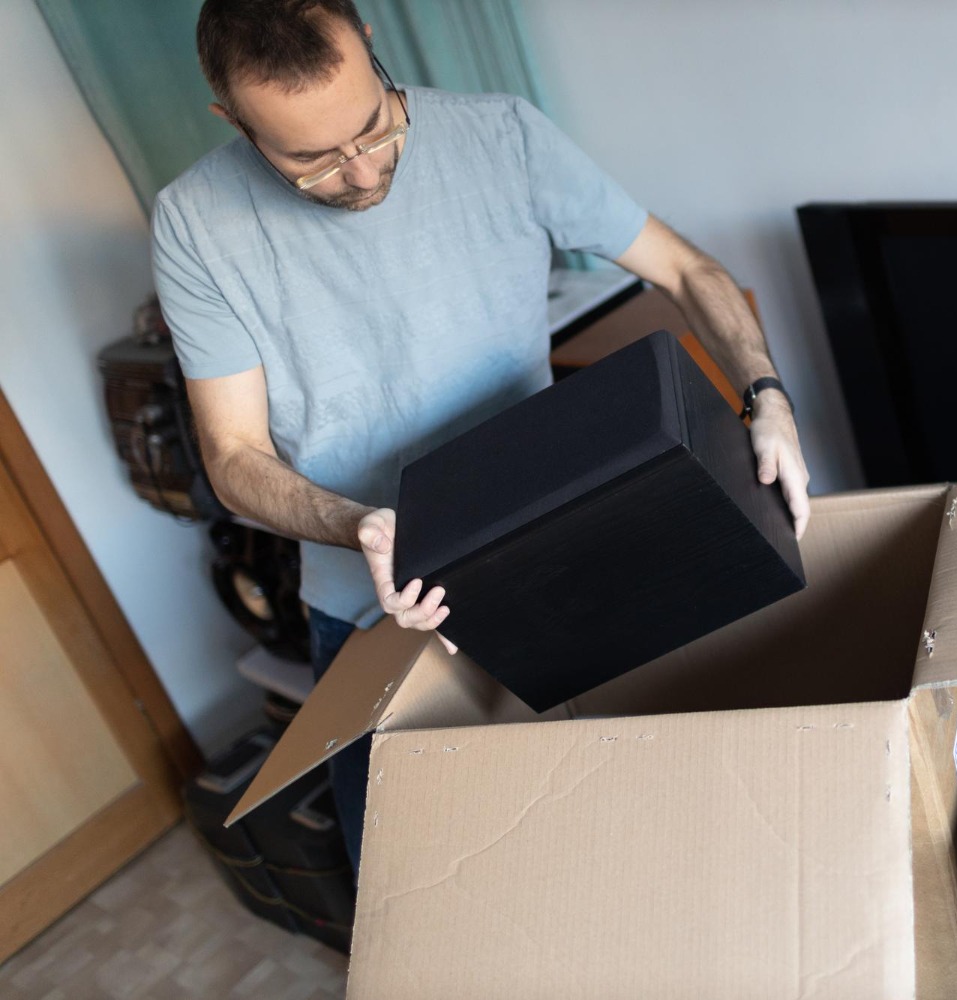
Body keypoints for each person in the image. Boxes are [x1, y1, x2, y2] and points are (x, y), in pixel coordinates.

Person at [154, 0, 811, 869]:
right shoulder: (194, 223)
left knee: (622, 839)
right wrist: (362, 526)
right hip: (373, 605)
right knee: (413, 874)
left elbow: (686, 268)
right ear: (232, 122)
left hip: (554, 549)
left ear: (372, 52)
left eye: (374, 127)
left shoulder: (502, 134)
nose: (358, 174)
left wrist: (766, 392)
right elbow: (233, 458)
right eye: (310, 160)